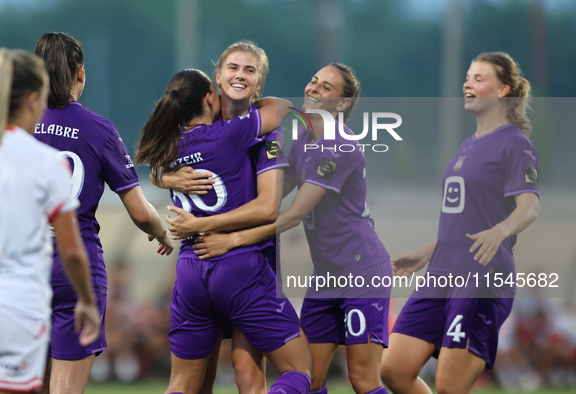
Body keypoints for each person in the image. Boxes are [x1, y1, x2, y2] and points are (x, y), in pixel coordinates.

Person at [186, 63, 392, 394]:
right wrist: (173, 176)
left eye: (326, 87)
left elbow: (293, 214)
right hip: (326, 276)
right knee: (310, 378)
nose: (313, 89)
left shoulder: (340, 145)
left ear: (341, 104)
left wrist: (232, 239)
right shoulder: (305, 140)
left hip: (362, 271)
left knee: (362, 379)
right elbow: (267, 195)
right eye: (313, 80)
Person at [136, 69, 313, 394]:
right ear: (209, 96)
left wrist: (162, 178)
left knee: (185, 384)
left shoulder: (171, 142)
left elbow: (155, 168)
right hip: (239, 265)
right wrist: (248, 100)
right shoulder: (233, 133)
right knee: (300, 370)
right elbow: (284, 109)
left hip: (190, 271)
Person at [380, 52, 540, 394]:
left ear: (502, 90)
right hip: (441, 273)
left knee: (450, 387)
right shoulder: (468, 145)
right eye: (468, 77)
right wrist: (426, 253)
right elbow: (466, 220)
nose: (468, 83)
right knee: (394, 370)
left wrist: (500, 232)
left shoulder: (515, 144)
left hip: (481, 278)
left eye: (479, 78)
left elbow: (529, 208)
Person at [33, 32, 174, 394]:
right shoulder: (99, 129)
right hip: (74, 266)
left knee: (17, 381)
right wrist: (161, 233)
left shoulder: (13, 126)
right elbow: (141, 213)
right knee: (65, 387)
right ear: (81, 74)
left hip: (22, 262)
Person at [155, 41, 279, 394]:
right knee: (200, 378)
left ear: (260, 83)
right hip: (210, 261)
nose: (240, 75)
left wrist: (219, 233)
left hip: (249, 256)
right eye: (233, 68)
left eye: (250, 70)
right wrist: (164, 176)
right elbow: (156, 161)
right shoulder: (206, 127)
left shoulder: (268, 132)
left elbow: (270, 207)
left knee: (246, 372)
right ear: (217, 78)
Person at [0, 48, 100, 394]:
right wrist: (87, 301)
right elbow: (72, 251)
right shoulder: (45, 163)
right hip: (16, 308)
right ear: (34, 99)